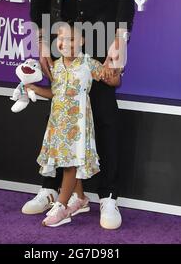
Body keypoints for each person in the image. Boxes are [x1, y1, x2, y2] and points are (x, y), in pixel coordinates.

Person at [23, 0, 135, 230]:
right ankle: (57, 189)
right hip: (58, 28)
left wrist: (120, 37)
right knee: (62, 112)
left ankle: (107, 197)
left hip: (101, 25)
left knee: (102, 111)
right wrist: (40, 38)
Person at [24, 22, 121, 227]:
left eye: (71, 39)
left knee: (70, 165)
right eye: (61, 38)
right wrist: (32, 88)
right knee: (66, 162)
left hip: (77, 126)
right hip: (58, 124)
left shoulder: (88, 64)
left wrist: (114, 72)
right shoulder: (56, 66)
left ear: (82, 42)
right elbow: (54, 94)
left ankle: (61, 206)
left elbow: (112, 80)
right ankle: (81, 198)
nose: (65, 43)